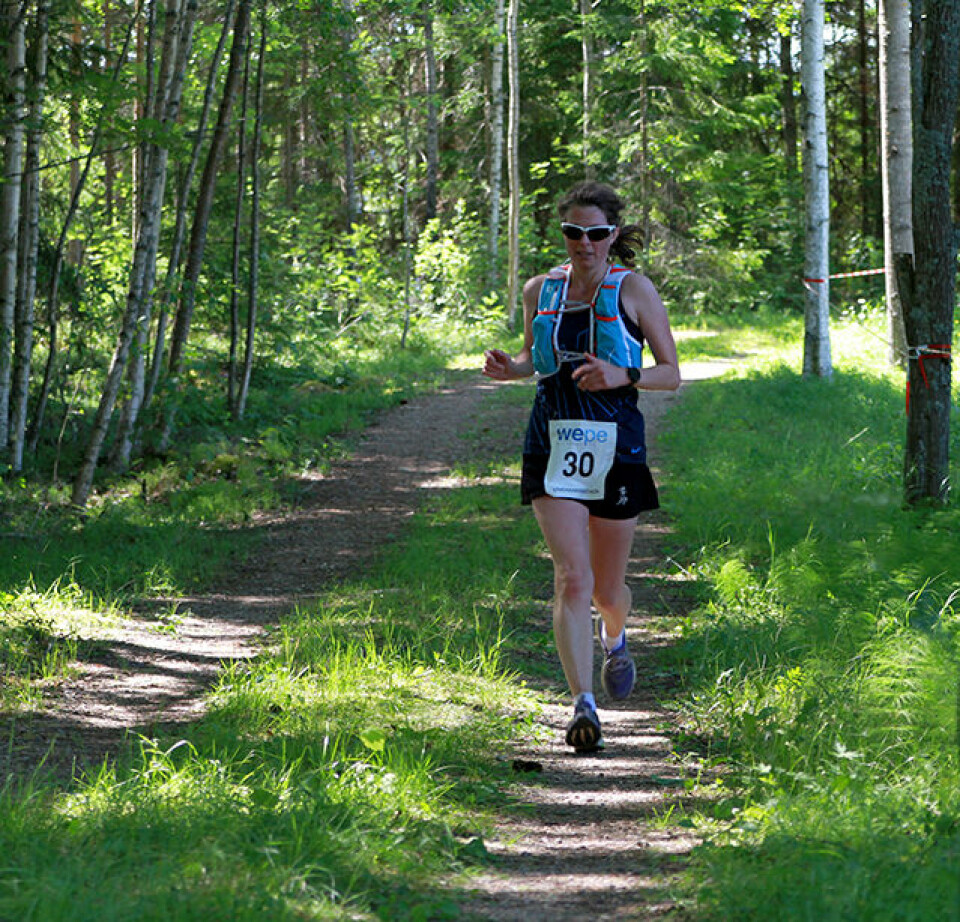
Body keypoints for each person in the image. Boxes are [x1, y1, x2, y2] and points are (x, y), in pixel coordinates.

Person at [483, 181, 680, 753]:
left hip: (617, 445)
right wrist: (510, 367)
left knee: (608, 590)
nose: (585, 243)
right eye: (574, 232)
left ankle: (615, 636)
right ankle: (582, 704)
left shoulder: (634, 290)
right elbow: (534, 359)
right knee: (573, 576)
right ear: (563, 233)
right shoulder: (539, 289)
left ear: (613, 235)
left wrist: (625, 374)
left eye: (596, 233)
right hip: (552, 440)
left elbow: (671, 372)